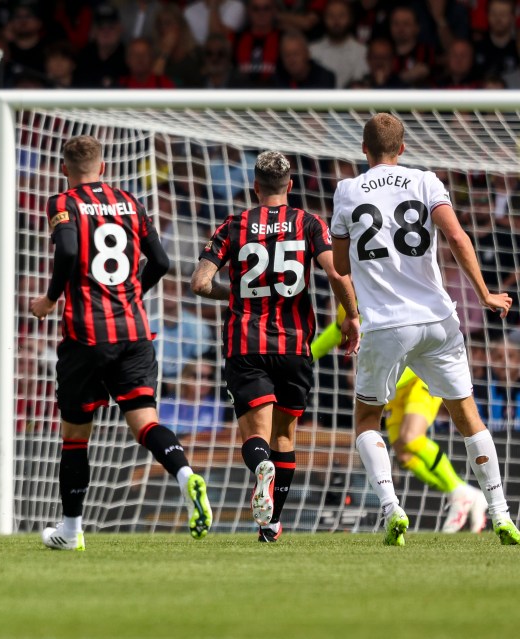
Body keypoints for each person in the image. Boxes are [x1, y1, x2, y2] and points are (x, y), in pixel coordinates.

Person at [330, 113, 520, 546]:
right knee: (468, 418)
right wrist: (487, 294)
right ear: (403, 148)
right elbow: (455, 237)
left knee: (365, 419)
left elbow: (340, 267)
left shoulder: (346, 190)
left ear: (364, 150)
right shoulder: (426, 181)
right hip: (437, 319)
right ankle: (502, 514)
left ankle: (392, 509)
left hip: (384, 325)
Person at [29, 135, 212, 550]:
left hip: (86, 334)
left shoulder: (63, 203)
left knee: (75, 434)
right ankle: (185, 475)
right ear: (104, 167)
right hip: (134, 332)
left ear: (64, 170)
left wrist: (51, 298)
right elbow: (161, 263)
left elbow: (69, 251)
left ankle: (72, 531)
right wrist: (131, 294)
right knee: (145, 423)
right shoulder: (131, 201)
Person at [192, 150, 359, 543]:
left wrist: (233, 293)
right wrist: (351, 315)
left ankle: (261, 469)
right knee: (285, 437)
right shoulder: (308, 222)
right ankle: (270, 526)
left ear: (254, 186)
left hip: (245, 343)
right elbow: (335, 271)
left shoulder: (233, 226)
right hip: (295, 344)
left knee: (256, 437)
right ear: (291, 185)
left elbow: (199, 283)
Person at [311, 306, 487, 533]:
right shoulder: (349, 299)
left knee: (411, 437)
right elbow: (337, 331)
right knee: (403, 452)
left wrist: (382, 381)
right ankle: (464, 493)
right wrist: (306, 357)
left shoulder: (389, 293)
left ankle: (459, 491)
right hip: (392, 382)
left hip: (415, 374)